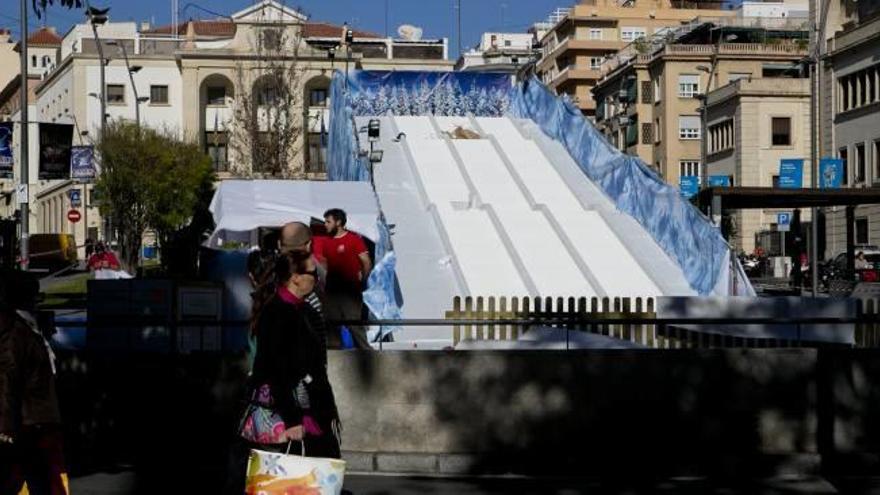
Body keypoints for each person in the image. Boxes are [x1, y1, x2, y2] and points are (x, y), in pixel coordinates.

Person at [225, 251, 341, 494]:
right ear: (296, 277)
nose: (316, 278)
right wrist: (292, 420)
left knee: (313, 480)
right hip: (286, 413)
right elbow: (277, 370)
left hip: (306, 410)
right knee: (286, 481)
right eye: (312, 272)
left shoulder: (304, 310)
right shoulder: (278, 312)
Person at [0, 269, 67, 495]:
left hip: (36, 421)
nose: (37, 300)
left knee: (34, 481)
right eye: (34, 294)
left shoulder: (29, 326)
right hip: (29, 424)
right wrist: (6, 427)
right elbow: (7, 378)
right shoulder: (15, 333)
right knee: (36, 481)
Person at [320, 209, 372, 350]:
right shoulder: (326, 242)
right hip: (332, 293)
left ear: (338, 222)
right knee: (330, 326)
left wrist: (362, 281)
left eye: (328, 221)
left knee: (354, 326)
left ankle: (368, 356)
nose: (325, 225)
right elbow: (326, 264)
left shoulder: (354, 240)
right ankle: (334, 359)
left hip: (350, 292)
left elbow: (366, 262)